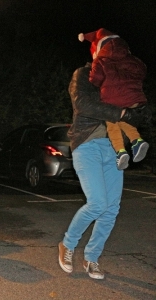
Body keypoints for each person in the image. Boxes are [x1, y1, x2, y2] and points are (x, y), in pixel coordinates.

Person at [58, 61, 152, 280]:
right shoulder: (84, 74)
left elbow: (137, 109)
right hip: (87, 144)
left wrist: (136, 110)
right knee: (98, 203)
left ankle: (92, 257)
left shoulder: (119, 78)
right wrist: (122, 112)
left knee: (111, 209)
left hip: (114, 148)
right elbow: (84, 105)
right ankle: (67, 244)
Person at [79, 28, 149, 170]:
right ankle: (137, 141)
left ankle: (120, 151)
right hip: (134, 98)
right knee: (124, 121)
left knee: (112, 123)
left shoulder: (101, 59)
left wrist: (95, 79)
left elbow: (95, 79)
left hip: (112, 98)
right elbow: (142, 71)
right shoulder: (132, 59)